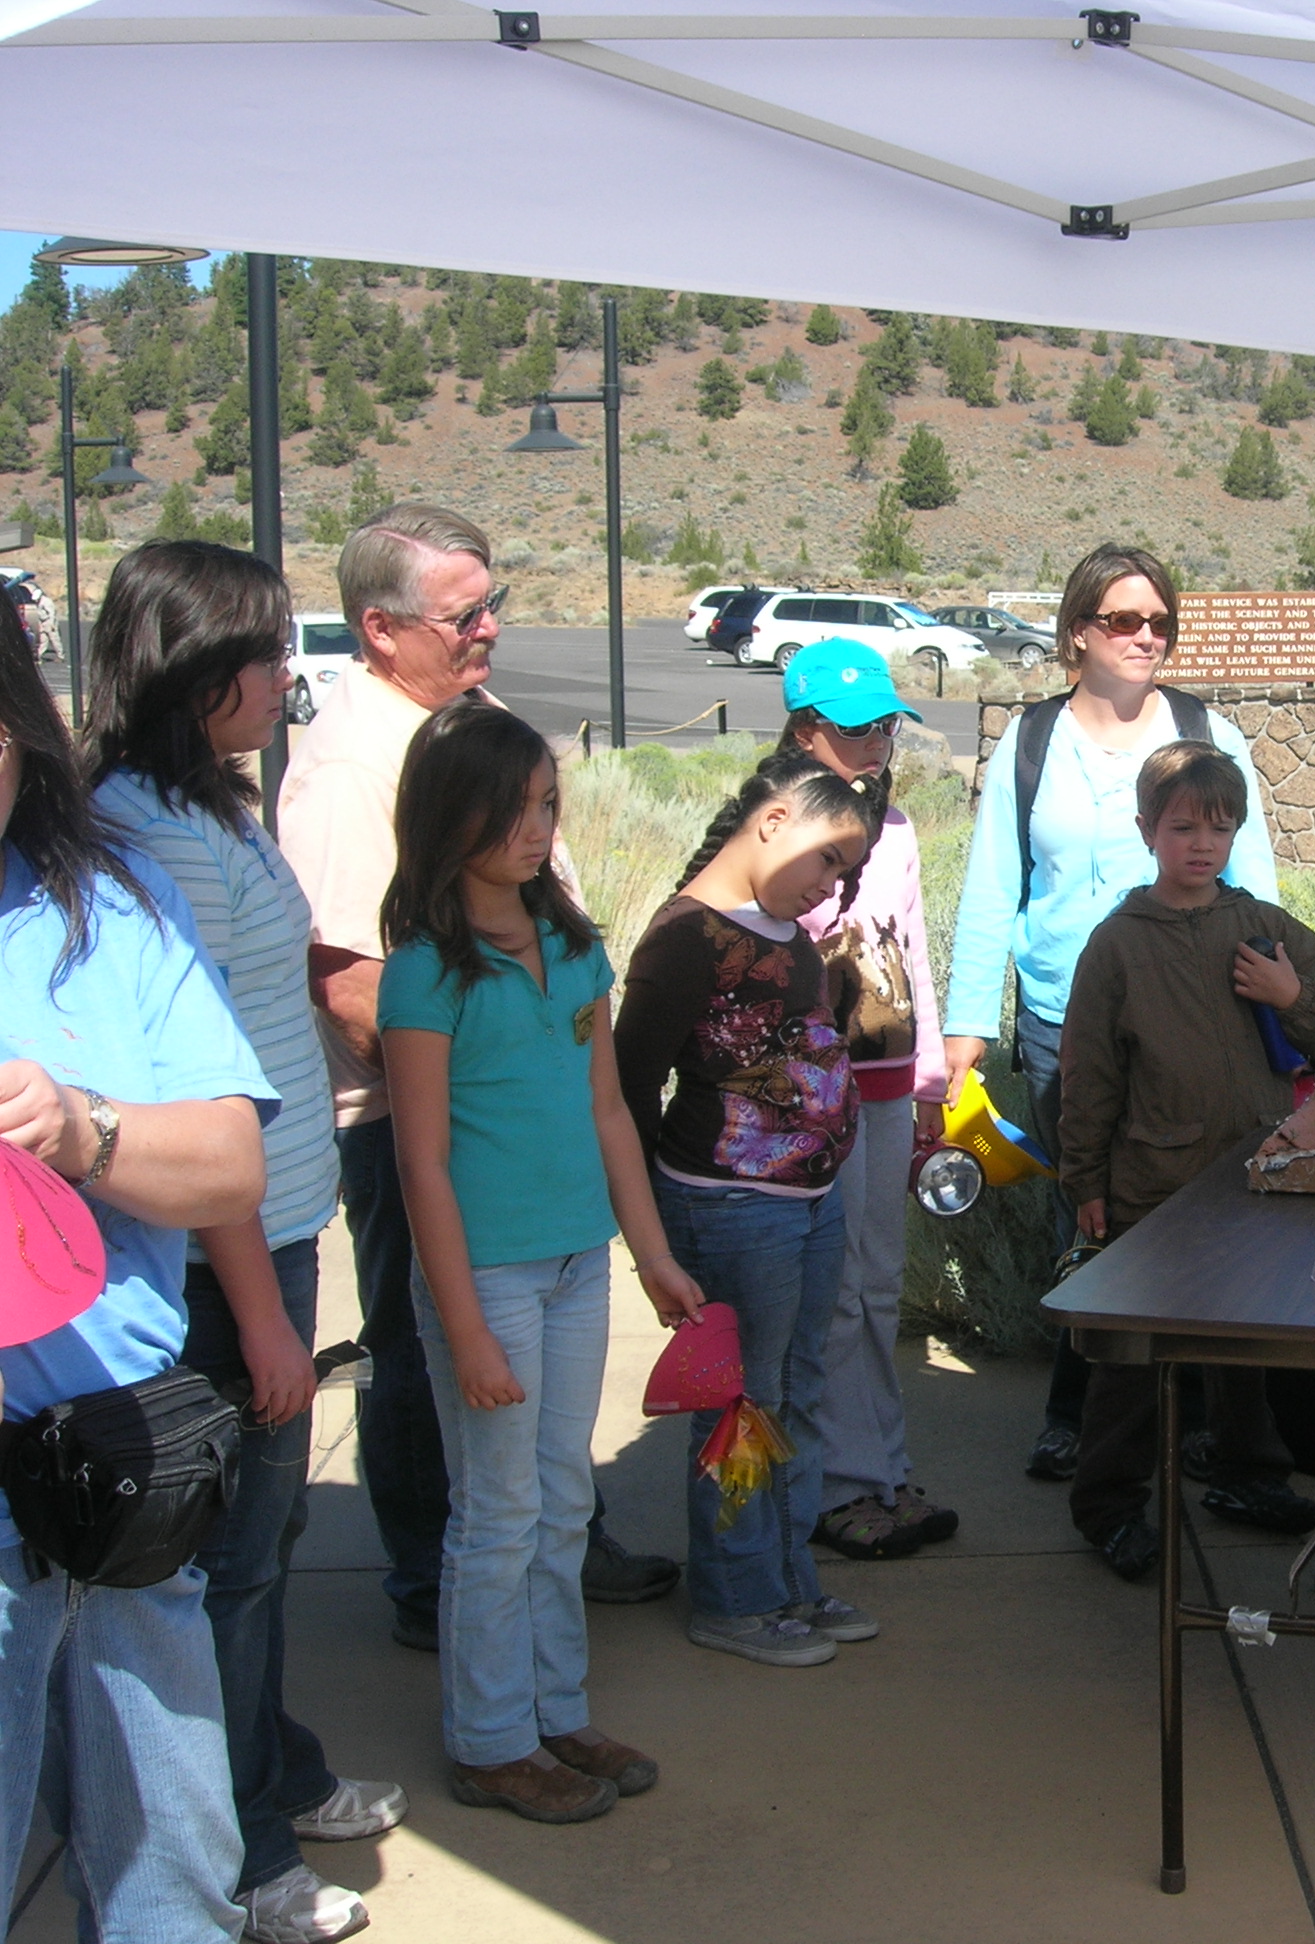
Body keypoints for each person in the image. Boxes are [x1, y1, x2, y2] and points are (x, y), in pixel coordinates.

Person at [278, 503, 674, 1652]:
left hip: (526, 1121)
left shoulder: (458, 713)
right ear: (379, 629)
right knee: (425, 1358)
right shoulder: (352, 764)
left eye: (492, 603)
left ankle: (544, 1564)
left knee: (519, 1414)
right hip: (437, 1131)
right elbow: (349, 976)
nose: (490, 629)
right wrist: (491, 1099)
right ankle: (434, 1590)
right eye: (465, 615)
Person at [84, 541, 406, 1943]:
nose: (292, 680)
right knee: (229, 1560)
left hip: (272, 1224)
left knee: (258, 1553)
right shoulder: (149, 839)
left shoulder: (198, 806)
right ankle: (244, 1857)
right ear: (201, 668)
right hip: (228, 1256)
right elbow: (183, 1090)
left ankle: (269, 1770)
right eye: (273, 655)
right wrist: (265, 1315)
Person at [0, 596, 274, 1941]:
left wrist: (82, 1129)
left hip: (111, 1479)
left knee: (174, 1878)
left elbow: (229, 1164)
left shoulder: (104, 902)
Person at [378, 701, 700, 1824]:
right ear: (445, 815)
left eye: (546, 805)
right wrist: (461, 1325)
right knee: (499, 1512)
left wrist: (650, 1253)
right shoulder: (424, 973)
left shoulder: (571, 946)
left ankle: (555, 1710)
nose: (534, 827)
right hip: (492, 1280)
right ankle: (489, 1739)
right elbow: (419, 1166)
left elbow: (611, 1109)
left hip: (576, 1266)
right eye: (509, 808)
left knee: (564, 1502)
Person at [941, 544, 1277, 1483]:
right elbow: (989, 888)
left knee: (1203, 1220)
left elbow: (1255, 886)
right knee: (1085, 1215)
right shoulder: (1034, 741)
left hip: (1193, 1027)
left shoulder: (1208, 731)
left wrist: (1275, 1008)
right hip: (1061, 1024)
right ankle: (1078, 1417)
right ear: (1079, 631)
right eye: (1124, 620)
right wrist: (965, 1026)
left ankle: (1212, 1425)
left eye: (1160, 622)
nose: (1145, 637)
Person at [1058, 742, 1315, 1578]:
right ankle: (1111, 1506)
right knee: (1133, 1357)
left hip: (1257, 1177)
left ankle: (1246, 1474)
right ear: (1146, 830)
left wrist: (1291, 997)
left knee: (1248, 1345)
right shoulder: (1116, 946)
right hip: (1153, 1187)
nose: (1202, 844)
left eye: (1220, 828)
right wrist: (1085, 1181)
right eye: (1184, 826)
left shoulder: (1263, 930)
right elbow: (1089, 1076)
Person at [613, 753, 875, 1666]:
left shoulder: (788, 934)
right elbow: (629, 1083)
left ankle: (785, 1578)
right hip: (727, 1208)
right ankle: (734, 1594)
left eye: (845, 872)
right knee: (739, 1405)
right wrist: (650, 1236)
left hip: (808, 1200)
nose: (827, 886)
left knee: (795, 1391)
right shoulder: (687, 938)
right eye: (827, 860)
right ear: (773, 821)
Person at [777, 641, 959, 1561]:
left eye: (886, 724)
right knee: (836, 1293)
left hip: (888, 1087)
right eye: (856, 729)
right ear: (806, 729)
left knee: (877, 1284)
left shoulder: (895, 830)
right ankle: (838, 1484)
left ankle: (880, 1468)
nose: (877, 743)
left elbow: (912, 951)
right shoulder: (773, 825)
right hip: (816, 1093)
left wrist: (930, 1080)